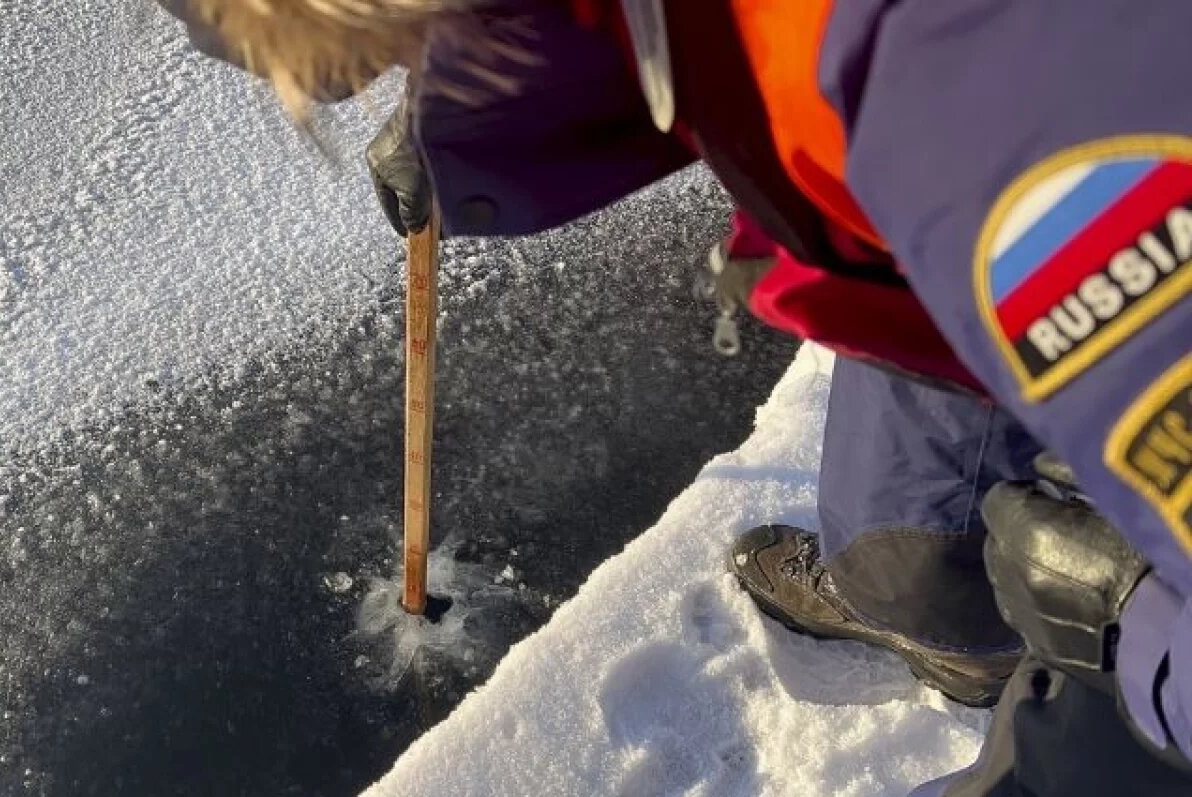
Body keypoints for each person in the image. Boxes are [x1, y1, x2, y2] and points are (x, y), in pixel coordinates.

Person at [156, 2, 1192, 793]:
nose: (386, 70)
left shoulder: (995, 123)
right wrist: (472, 117)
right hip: (954, 248)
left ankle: (971, 635)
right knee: (895, 528)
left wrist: (1129, 622)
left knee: (935, 580)